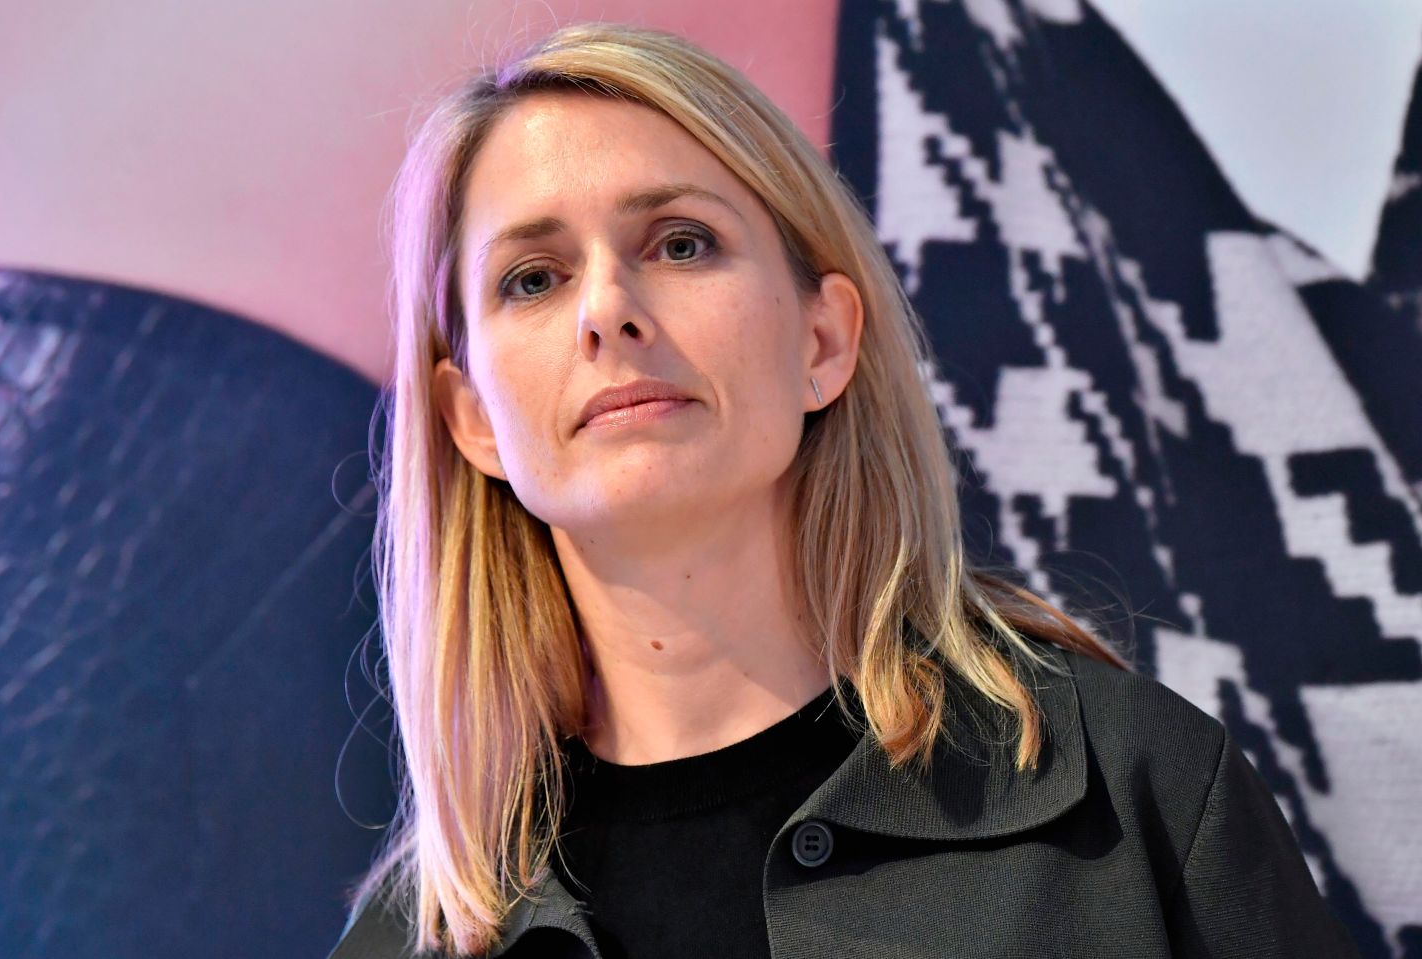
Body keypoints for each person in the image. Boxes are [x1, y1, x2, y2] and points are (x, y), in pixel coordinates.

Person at [326, 21, 1359, 959]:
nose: (607, 308)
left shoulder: (1138, 796)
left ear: (822, 340)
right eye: (533, 278)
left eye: (681, 243)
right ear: (472, 419)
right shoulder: (414, 942)